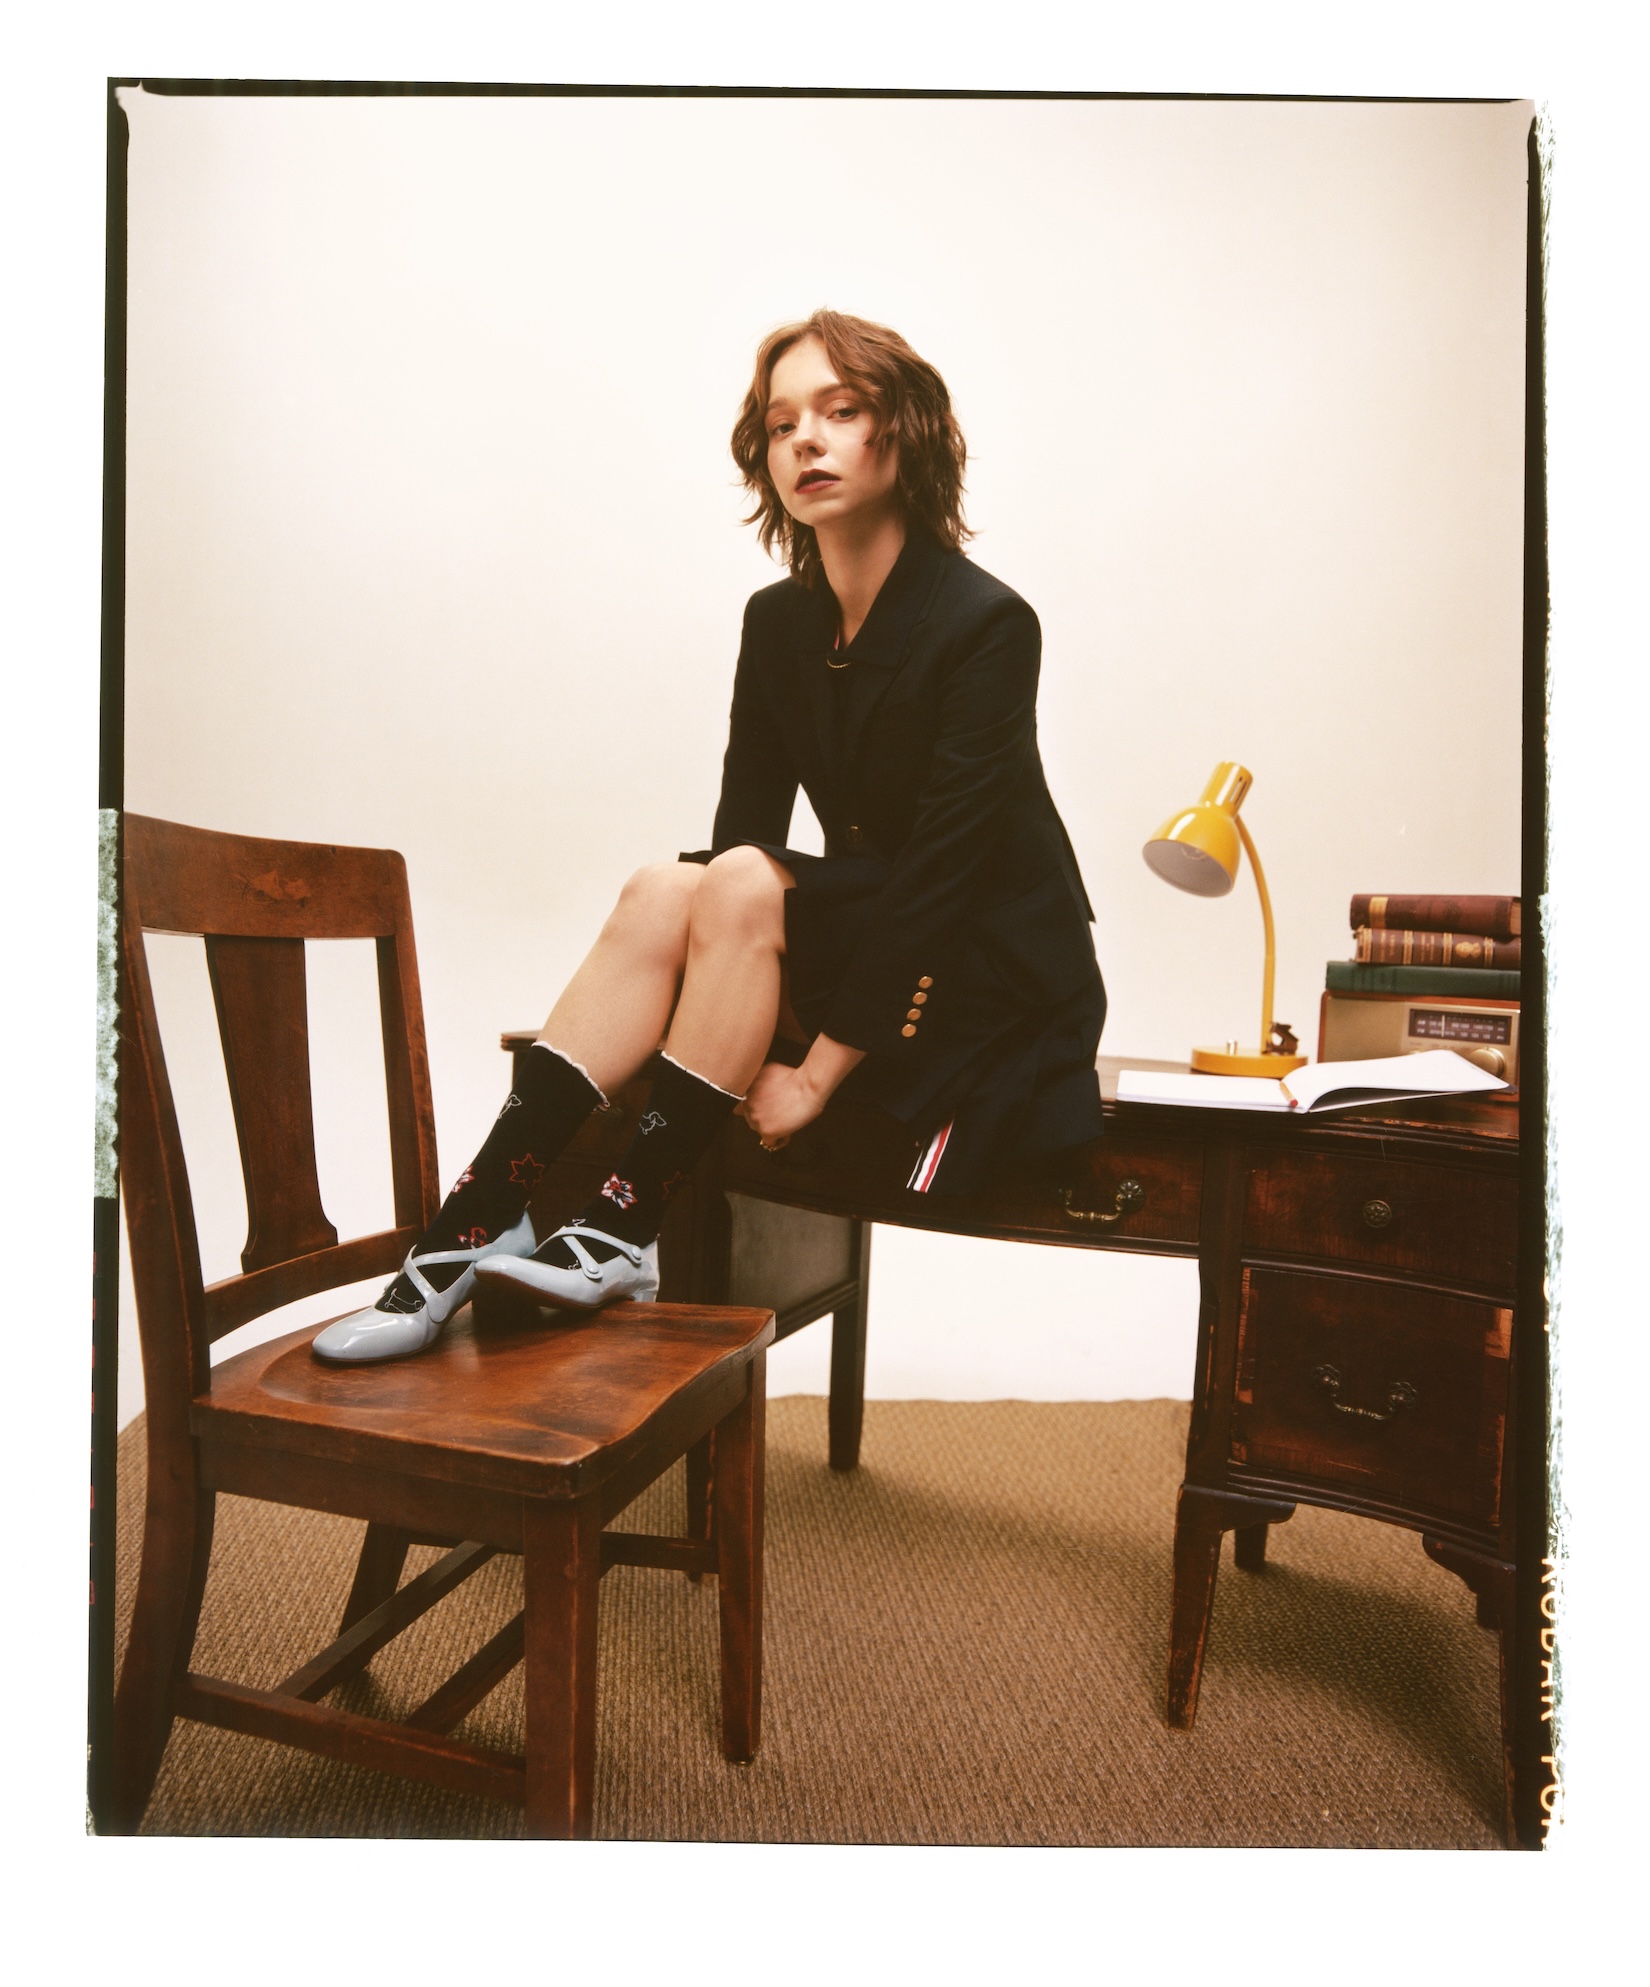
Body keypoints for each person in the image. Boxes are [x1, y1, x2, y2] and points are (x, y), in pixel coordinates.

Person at [313, 310, 1106, 1365]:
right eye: (782, 424)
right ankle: (474, 1223)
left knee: (728, 881)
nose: (806, 440)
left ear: (904, 432)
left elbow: (940, 879)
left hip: (989, 965)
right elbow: (746, 840)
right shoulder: (779, 622)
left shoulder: (987, 623)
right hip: (882, 930)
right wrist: (720, 1004)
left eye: (841, 411)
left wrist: (812, 1077)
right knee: (664, 885)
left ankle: (621, 1220)